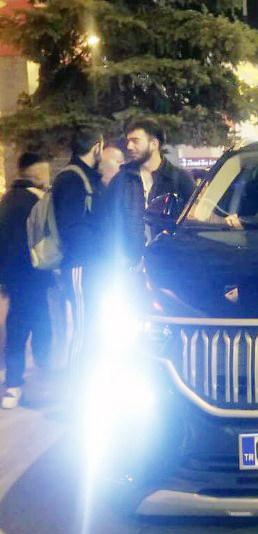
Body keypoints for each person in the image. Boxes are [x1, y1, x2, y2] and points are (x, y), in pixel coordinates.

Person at [52, 127, 106, 385]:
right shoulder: (72, 179)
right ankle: (77, 387)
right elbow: (70, 227)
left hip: (91, 265)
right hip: (81, 265)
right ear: (97, 147)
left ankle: (92, 382)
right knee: (85, 329)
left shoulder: (86, 177)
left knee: (95, 327)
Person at [0, 153, 53, 409]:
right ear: (37, 173)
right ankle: (43, 378)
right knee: (42, 325)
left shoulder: (7, 200)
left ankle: (12, 385)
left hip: (15, 278)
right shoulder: (38, 201)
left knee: (16, 329)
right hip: (36, 274)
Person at [104, 118, 194, 265]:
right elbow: (108, 222)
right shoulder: (121, 180)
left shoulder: (179, 179)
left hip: (168, 263)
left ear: (154, 144)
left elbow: (193, 222)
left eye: (135, 141)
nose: (129, 146)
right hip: (128, 265)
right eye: (128, 141)